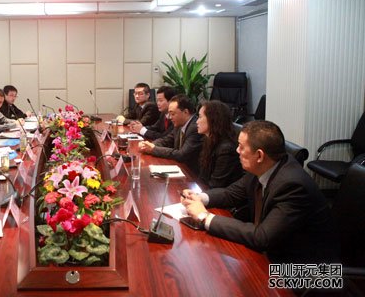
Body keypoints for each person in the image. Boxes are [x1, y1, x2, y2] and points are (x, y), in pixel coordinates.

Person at [181, 120, 339, 264]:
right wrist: (199, 198)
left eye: (241, 147)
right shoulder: (264, 166)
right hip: (275, 250)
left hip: (306, 269)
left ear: (259, 155)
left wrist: (204, 217)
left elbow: (262, 237)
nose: (237, 150)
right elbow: (231, 194)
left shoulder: (293, 185)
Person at [139, 94, 203, 175]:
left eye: (173, 114)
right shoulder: (179, 124)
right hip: (180, 167)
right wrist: (148, 145)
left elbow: (182, 154)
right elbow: (166, 140)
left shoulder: (195, 128)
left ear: (185, 112)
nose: (170, 117)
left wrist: (153, 149)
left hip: (192, 174)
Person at [195, 100, 244, 188]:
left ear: (213, 119)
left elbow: (216, 184)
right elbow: (203, 175)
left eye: (200, 117)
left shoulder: (226, 149)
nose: (197, 121)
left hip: (220, 194)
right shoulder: (209, 139)